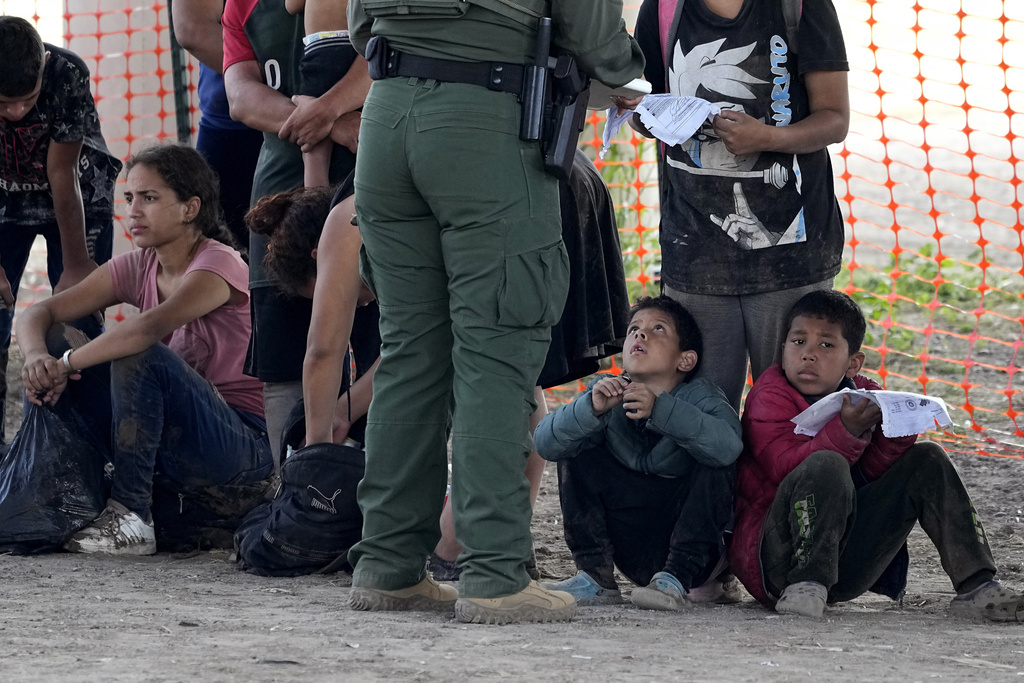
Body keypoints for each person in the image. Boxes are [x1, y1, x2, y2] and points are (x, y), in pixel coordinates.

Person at [345, 0, 645, 624]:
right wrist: (630, 73)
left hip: (387, 118)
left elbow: (358, 26)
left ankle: (388, 567)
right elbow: (593, 35)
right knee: (496, 354)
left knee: (409, 353)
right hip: (485, 123)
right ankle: (495, 575)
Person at [16, 144, 272, 555]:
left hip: (241, 444)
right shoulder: (138, 265)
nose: (133, 210)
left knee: (136, 352)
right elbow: (39, 312)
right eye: (130, 198)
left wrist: (65, 365)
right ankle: (55, 495)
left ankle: (132, 516)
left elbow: (148, 328)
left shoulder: (219, 265)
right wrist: (37, 360)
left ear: (190, 208)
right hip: (179, 436)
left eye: (149, 198)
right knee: (58, 337)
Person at [732, 290, 1024, 621]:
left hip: (844, 563)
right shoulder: (768, 396)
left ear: (853, 363)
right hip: (777, 562)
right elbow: (783, 468)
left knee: (927, 458)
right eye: (798, 342)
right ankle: (807, 581)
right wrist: (846, 431)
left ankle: (977, 585)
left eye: (826, 345)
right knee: (827, 462)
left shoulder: (863, 395)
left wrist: (898, 425)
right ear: (783, 349)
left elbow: (867, 477)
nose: (809, 354)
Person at [626, 0, 851, 410]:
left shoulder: (800, 6)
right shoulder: (661, 8)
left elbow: (835, 118)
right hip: (694, 252)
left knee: (791, 414)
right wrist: (640, 109)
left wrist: (768, 138)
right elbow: (644, 108)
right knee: (701, 418)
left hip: (791, 256)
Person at [429, 149, 633, 583]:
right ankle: (507, 540)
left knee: (502, 373)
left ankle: (461, 540)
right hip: (558, 173)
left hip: (523, 184)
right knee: (522, 374)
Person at [221, 0, 370, 470]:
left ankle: (379, 498)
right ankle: (296, 496)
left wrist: (328, 109)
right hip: (282, 196)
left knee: (380, 343)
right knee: (284, 357)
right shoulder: (240, 7)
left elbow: (389, 52)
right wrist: (327, 120)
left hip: (375, 185)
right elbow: (242, 97)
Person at [535, 295, 741, 610]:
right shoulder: (606, 391)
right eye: (634, 329)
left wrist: (661, 410)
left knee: (715, 456)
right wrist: (589, 410)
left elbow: (729, 448)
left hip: (696, 557)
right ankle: (595, 577)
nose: (640, 335)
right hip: (631, 549)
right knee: (576, 438)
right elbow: (546, 444)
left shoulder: (702, 397)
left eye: (657, 329)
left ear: (685, 360)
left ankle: (674, 579)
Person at [0, 16, 121, 442]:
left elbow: (62, 175)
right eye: (3, 104)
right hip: (6, 199)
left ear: (45, 65)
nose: (15, 112)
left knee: (77, 322)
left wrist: (76, 264)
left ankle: (90, 445)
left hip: (78, 194)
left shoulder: (67, 73)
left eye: (26, 100)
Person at [171, 0, 264, 253]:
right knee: (228, 262)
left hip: (327, 110)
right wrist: (270, 91)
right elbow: (192, 30)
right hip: (235, 129)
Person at [284, 0, 360, 189]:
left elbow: (292, 6)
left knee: (314, 140)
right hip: (360, 43)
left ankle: (315, 198)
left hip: (323, 44)